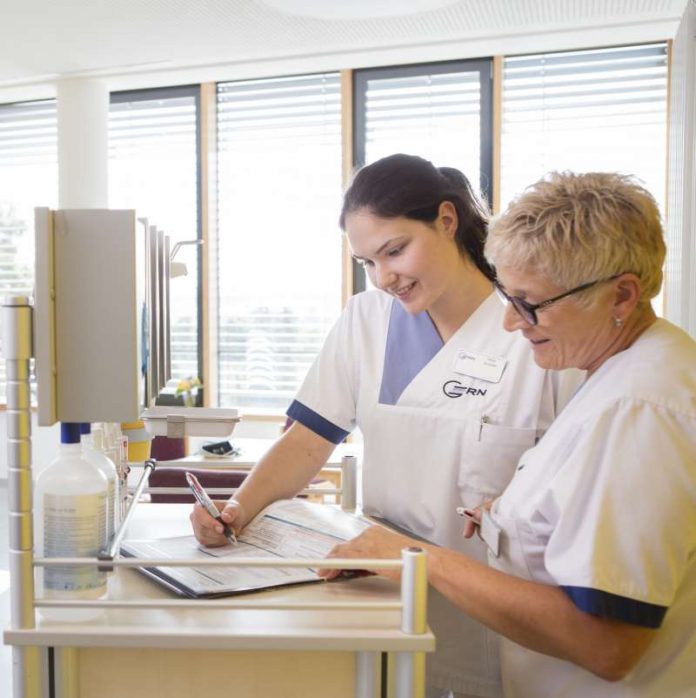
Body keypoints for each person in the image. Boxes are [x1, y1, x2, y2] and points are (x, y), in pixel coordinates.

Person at [191, 154, 583, 698]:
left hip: (496, 607)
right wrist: (236, 510)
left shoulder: (529, 327)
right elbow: (307, 440)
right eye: (367, 262)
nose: (384, 277)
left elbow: (577, 481)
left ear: (447, 221)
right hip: (381, 592)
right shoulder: (366, 320)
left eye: (395, 250)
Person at [323, 171, 696, 697]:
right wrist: (514, 514)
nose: (511, 325)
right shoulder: (630, 368)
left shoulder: (639, 408)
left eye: (530, 304)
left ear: (622, 295)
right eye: (509, 298)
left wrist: (415, 556)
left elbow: (607, 645)